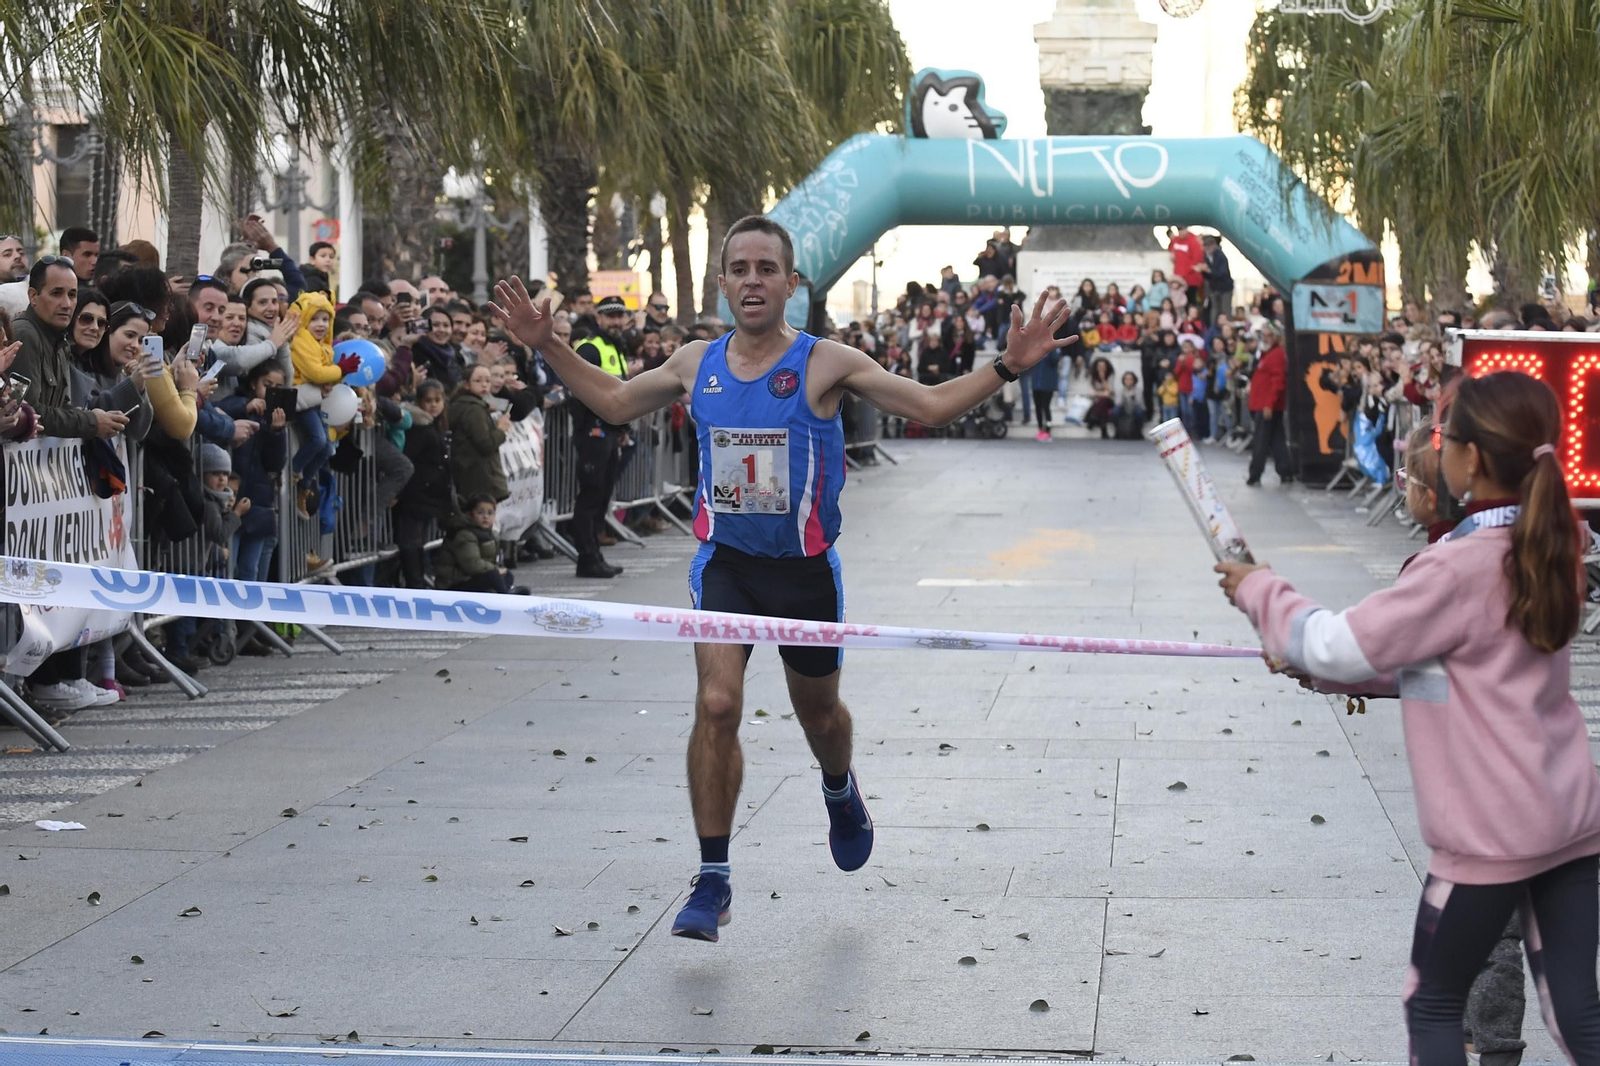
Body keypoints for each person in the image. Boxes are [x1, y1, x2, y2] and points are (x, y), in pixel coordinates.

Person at [490, 214, 1070, 944]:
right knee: (719, 703)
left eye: (768, 268)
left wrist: (1009, 366)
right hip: (726, 565)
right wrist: (549, 346)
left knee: (820, 717)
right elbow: (611, 399)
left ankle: (839, 789)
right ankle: (713, 878)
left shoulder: (828, 362)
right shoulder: (695, 361)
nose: (754, 281)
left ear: (791, 283)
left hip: (803, 574)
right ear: (724, 280)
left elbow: (926, 403)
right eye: (741, 268)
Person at [1216, 372, 1600, 1065]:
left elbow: (1335, 638)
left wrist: (1262, 591)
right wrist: (1326, 669)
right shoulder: (1555, 545)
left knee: (1433, 1003)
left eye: (1442, 437)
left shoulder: (1455, 570)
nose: (1436, 448)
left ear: (1472, 459)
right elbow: (1456, 667)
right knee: (1576, 1009)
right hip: (1568, 817)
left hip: (1488, 835)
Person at [12, 257, 128, 440]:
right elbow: (28, 411)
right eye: (57, 293)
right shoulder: (25, 335)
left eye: (72, 295)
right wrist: (91, 422)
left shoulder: (60, 341)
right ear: (33, 296)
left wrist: (95, 418)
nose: (66, 304)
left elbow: (60, 406)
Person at [566, 294, 634, 578]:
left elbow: (619, 394)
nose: (616, 322)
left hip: (608, 431)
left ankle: (594, 554)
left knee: (602, 494)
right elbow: (579, 390)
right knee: (591, 495)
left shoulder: (615, 347)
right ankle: (587, 557)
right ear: (599, 318)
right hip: (594, 432)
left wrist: (620, 429)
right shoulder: (591, 347)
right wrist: (591, 428)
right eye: (610, 316)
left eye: (620, 316)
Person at [431, 494, 530, 595]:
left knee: (507, 575)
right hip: (453, 583)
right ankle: (505, 597)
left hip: (471, 577)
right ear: (471, 514)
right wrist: (495, 570)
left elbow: (491, 562)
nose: (485, 517)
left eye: (490, 513)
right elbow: (472, 564)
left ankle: (501, 593)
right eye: (480, 513)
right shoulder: (465, 535)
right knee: (493, 576)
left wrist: (498, 570)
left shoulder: (490, 534)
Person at [447, 363, 510, 507]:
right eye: (478, 380)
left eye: (488, 381)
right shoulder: (473, 409)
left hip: (470, 475)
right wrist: (501, 430)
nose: (484, 385)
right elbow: (485, 444)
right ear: (466, 384)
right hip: (481, 478)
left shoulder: (464, 405)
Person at [1245, 323, 1291, 486]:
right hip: (1264, 404)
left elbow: (1277, 382)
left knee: (1262, 441)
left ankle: (1255, 474)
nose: (1265, 338)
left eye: (1269, 335)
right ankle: (1285, 471)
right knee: (1277, 439)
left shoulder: (1276, 355)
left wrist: (1269, 404)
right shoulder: (1268, 354)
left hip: (1266, 406)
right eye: (1264, 335)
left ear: (1276, 338)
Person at [1198, 234, 1233, 327]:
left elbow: (1223, 273)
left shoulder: (1220, 256)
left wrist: (1208, 270)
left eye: (1209, 245)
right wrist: (1203, 271)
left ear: (1214, 245)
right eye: (1205, 246)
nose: (1207, 248)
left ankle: (1227, 328)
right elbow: (1208, 276)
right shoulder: (1205, 257)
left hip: (1225, 288)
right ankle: (1213, 328)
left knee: (1225, 310)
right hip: (1214, 288)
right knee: (1215, 310)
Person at [1029, 344, 1061, 442]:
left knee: (1045, 406)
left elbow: (1055, 360)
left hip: (1048, 384)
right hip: (1036, 383)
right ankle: (1040, 428)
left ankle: (1047, 429)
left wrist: (1049, 349)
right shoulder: (1036, 348)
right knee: (1038, 406)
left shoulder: (1053, 349)